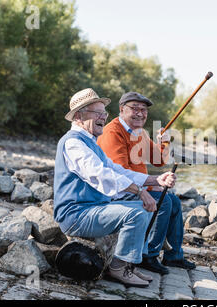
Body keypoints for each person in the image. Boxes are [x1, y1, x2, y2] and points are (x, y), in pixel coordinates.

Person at [53, 88, 177, 287]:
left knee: (147, 209)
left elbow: (119, 170)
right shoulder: (73, 143)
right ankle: (117, 268)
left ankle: (130, 265)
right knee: (135, 214)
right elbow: (101, 174)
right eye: (97, 113)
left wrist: (155, 180)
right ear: (78, 116)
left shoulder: (91, 142)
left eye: (104, 113)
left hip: (93, 209)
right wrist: (139, 191)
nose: (103, 117)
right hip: (76, 215)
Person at [97, 92, 195, 275]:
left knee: (173, 201)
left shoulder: (138, 133)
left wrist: (163, 143)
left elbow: (158, 160)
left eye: (143, 110)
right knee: (163, 201)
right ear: (121, 109)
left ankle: (174, 255)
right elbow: (120, 174)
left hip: (137, 186)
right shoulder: (113, 132)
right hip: (117, 191)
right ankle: (148, 254)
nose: (140, 113)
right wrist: (150, 185)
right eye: (135, 108)